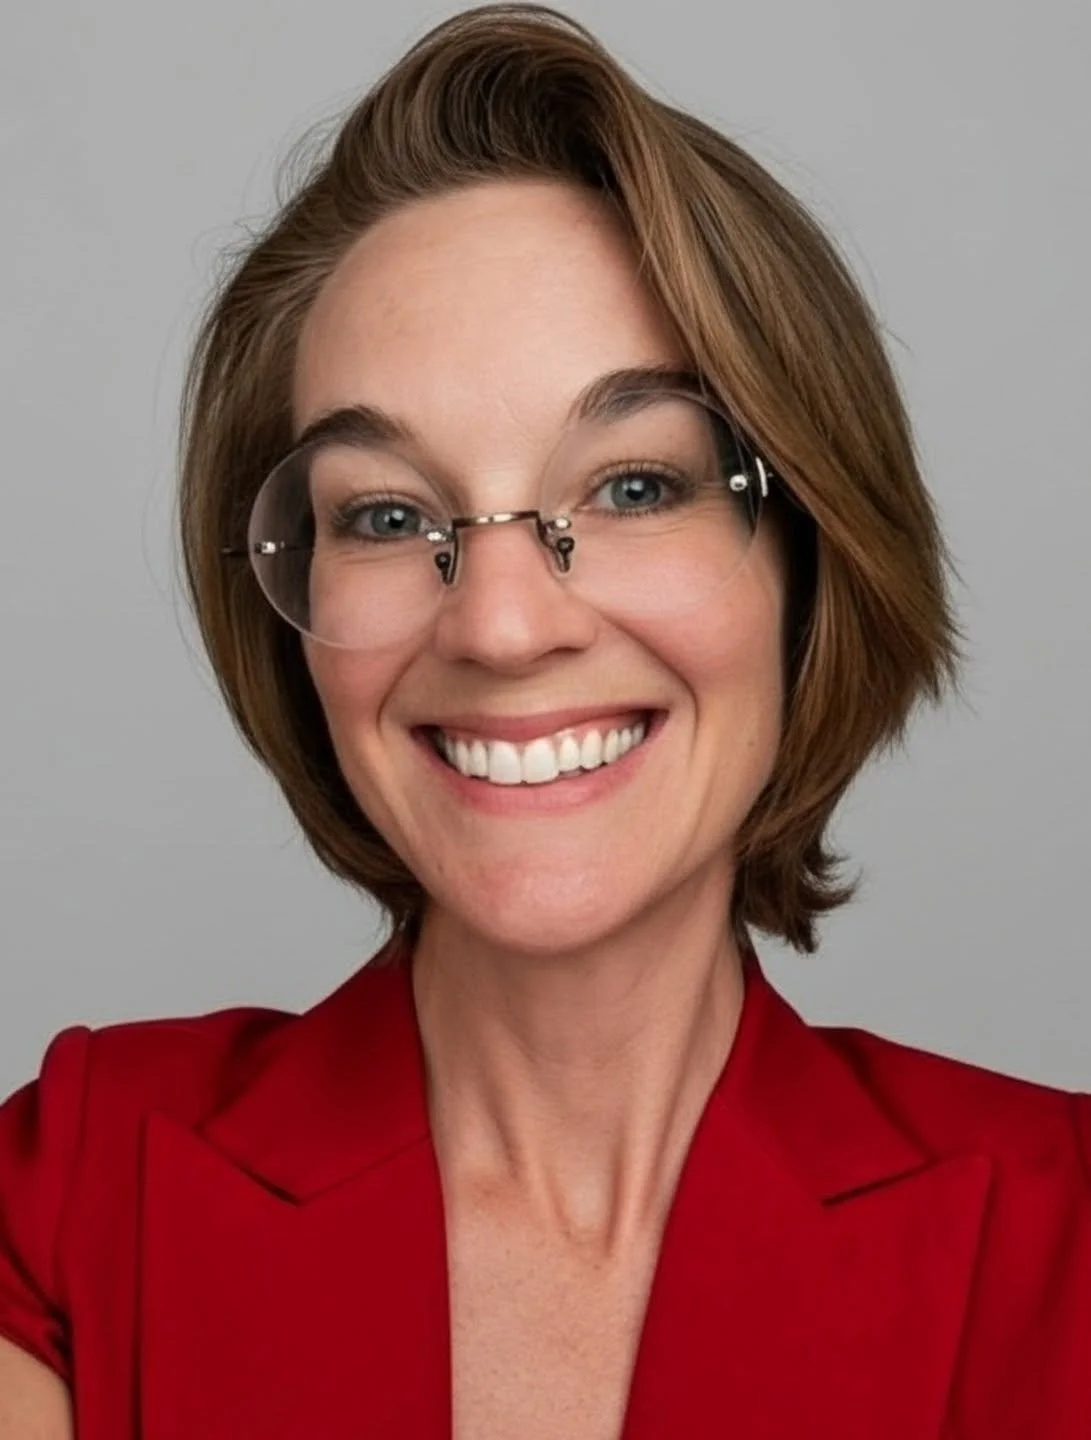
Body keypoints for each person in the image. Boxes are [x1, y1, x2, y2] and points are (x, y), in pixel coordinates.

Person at [1, 4, 1088, 1436]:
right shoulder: (77, 1193)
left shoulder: (1058, 1241)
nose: (503, 625)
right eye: (388, 513)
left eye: (632, 485)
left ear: (806, 557)